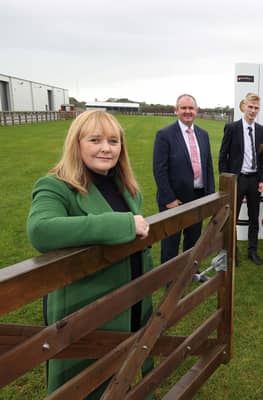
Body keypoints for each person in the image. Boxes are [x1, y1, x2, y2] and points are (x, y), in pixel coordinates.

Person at [27, 110, 153, 398]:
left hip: (133, 300)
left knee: (130, 373)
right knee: (88, 384)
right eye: (95, 139)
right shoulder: (55, 185)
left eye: (113, 140)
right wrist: (121, 224)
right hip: (87, 308)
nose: (106, 148)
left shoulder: (127, 187)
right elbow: (41, 230)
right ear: (77, 143)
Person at [153, 94, 215, 263]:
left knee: (193, 240)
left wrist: (210, 195)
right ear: (176, 110)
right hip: (175, 200)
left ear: (197, 111)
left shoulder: (203, 134)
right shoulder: (164, 135)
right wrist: (169, 198)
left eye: (191, 108)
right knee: (171, 242)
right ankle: (169, 280)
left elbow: (208, 166)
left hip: (198, 197)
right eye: (183, 108)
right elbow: (159, 170)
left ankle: (190, 272)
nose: (187, 111)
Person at [218, 92, 263, 265]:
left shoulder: (261, 130)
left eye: (256, 108)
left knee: (254, 218)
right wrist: (226, 180)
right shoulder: (232, 128)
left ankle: (252, 251)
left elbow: (262, 158)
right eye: (250, 107)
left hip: (254, 180)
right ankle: (233, 253)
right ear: (244, 106)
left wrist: (262, 179)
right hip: (237, 180)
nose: (253, 111)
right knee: (232, 219)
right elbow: (223, 155)